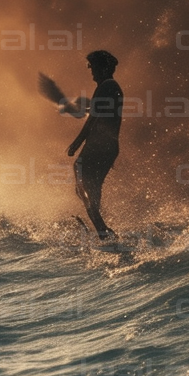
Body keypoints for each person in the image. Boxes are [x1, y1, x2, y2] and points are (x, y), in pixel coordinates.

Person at [66, 50, 123, 238]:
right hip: (108, 146)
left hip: (101, 144)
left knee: (81, 177)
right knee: (90, 187)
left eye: (94, 67)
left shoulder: (107, 86)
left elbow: (94, 119)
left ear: (104, 68)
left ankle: (100, 228)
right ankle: (102, 227)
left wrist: (76, 143)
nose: (92, 72)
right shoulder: (109, 87)